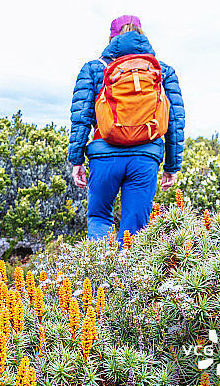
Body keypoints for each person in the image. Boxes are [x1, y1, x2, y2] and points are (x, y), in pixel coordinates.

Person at [68, 15, 185, 244]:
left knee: (99, 217)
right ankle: (129, 279)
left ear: (112, 38)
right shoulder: (163, 70)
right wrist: (172, 166)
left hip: (104, 153)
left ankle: (101, 274)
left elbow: (81, 117)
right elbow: (175, 121)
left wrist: (76, 161)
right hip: (145, 157)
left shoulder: (94, 68)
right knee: (135, 230)